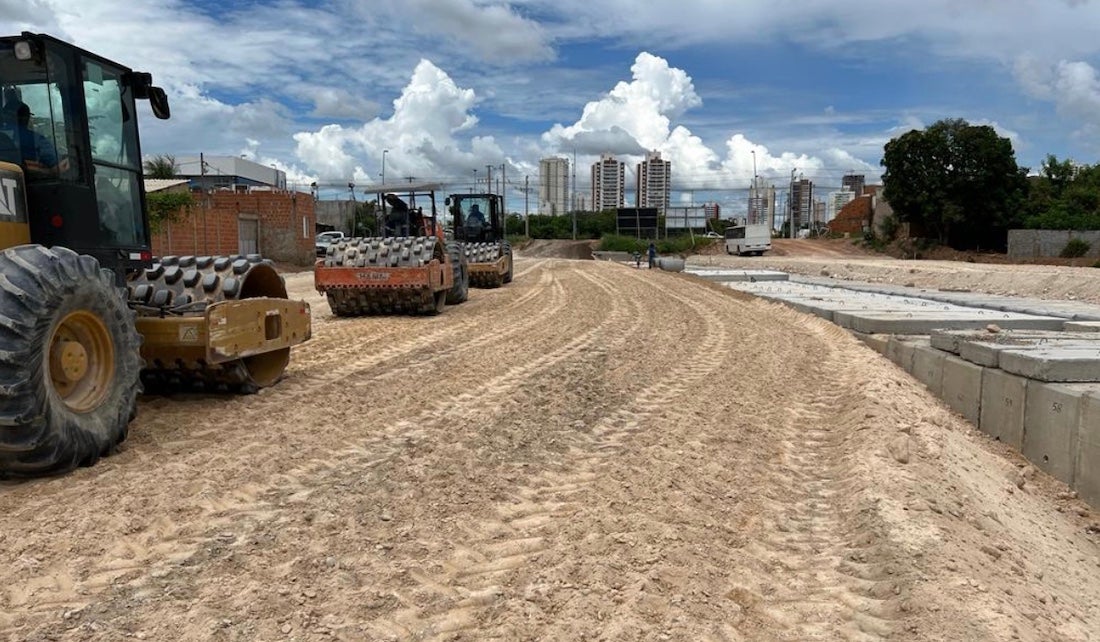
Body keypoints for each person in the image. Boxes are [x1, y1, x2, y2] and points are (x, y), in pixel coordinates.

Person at [11, 103, 59, 176]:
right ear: (26, 118)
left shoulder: (5, 136)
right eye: (30, 116)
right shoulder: (36, 139)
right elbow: (55, 166)